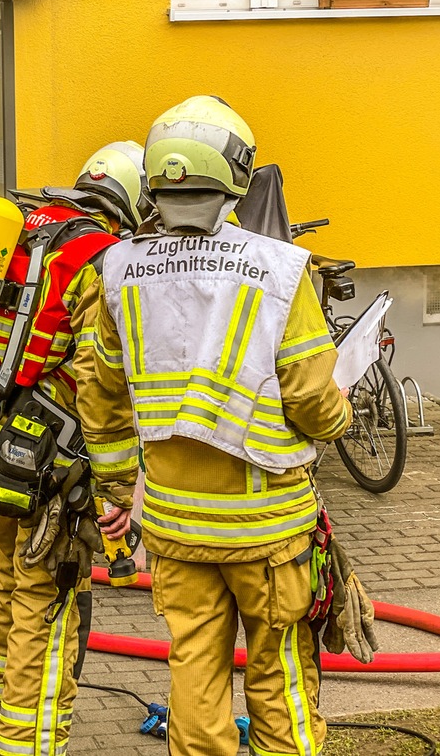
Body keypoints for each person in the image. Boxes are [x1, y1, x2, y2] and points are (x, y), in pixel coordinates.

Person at [72, 96, 365, 756]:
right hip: (270, 529)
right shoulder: (284, 271)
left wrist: (117, 494)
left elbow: (103, 399)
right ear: (238, 175)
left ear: (154, 179)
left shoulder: (117, 271)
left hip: (176, 529)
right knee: (281, 679)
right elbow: (315, 402)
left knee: (195, 680)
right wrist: (341, 414)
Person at [0, 143, 146, 756]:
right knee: (49, 599)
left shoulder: (27, 227)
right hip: (45, 470)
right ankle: (31, 742)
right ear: (134, 201)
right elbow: (98, 380)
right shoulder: (101, 258)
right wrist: (119, 485)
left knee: (7, 579)